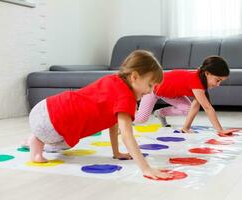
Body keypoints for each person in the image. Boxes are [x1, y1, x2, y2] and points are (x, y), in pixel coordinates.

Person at [27, 50, 172, 179]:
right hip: (52, 122)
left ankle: (36, 139)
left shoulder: (113, 80)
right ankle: (36, 141)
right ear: (134, 77)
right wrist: (146, 168)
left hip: (45, 106)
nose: (150, 92)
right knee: (62, 143)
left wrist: (117, 152)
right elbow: (127, 135)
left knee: (63, 140)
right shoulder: (126, 97)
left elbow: (112, 123)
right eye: (150, 85)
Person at [135, 55, 233, 134]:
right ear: (207, 73)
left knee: (187, 109)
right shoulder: (196, 82)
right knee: (141, 119)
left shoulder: (202, 80)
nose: (218, 84)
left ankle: (160, 113)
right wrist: (220, 130)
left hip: (171, 93)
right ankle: (125, 113)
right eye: (217, 80)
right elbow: (207, 108)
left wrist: (185, 128)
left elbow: (195, 107)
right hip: (153, 88)